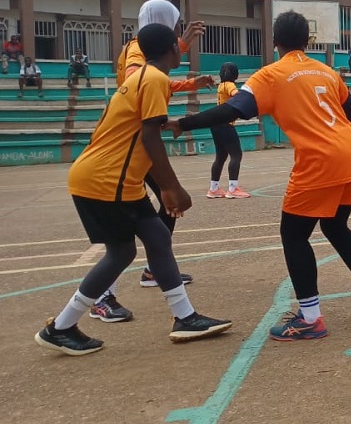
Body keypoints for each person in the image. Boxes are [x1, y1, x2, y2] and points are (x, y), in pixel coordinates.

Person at [169, 11, 351, 341]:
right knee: (334, 225)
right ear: (308, 41)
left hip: (321, 159)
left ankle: (311, 317)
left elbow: (232, 110)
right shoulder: (327, 71)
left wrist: (182, 123)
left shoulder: (270, 75)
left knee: (294, 235)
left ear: (275, 42)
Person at [34, 24, 232, 356]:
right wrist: (172, 188)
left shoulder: (146, 79)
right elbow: (149, 137)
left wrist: (164, 187)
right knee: (122, 252)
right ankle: (62, 327)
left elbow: (142, 140)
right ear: (174, 48)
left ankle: (185, 318)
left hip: (116, 181)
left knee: (157, 236)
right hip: (105, 181)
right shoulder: (152, 80)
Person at [89, 0, 206, 323]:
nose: (180, 32)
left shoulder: (144, 51)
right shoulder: (140, 54)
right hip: (126, 150)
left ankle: (159, 278)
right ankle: (102, 296)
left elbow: (156, 77)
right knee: (128, 234)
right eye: (177, 26)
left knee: (155, 224)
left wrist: (189, 81)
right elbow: (141, 80)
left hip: (132, 145)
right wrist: (172, 186)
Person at [205, 63, 249, 199]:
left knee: (221, 156)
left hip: (216, 124)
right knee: (236, 155)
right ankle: (233, 188)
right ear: (235, 74)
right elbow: (236, 95)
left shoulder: (221, 85)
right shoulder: (230, 85)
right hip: (225, 124)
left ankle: (214, 188)